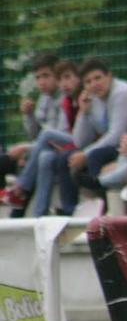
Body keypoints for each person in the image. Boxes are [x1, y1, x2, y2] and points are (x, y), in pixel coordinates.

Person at [2, 57, 75, 216]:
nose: (41, 82)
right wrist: (28, 116)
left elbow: (56, 135)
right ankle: (38, 216)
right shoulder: (44, 99)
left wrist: (26, 148)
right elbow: (35, 134)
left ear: (56, 76)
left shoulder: (64, 97)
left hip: (66, 147)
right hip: (48, 149)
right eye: (38, 77)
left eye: (46, 76)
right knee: (44, 158)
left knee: (22, 155)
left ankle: (19, 189)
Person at [68, 58, 127, 205]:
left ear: (109, 76)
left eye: (98, 78)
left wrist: (86, 154)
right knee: (66, 159)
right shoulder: (93, 98)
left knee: (95, 156)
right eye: (88, 81)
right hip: (118, 147)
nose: (94, 84)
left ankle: (102, 194)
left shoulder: (122, 93)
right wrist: (83, 112)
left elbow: (116, 135)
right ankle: (75, 207)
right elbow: (79, 141)